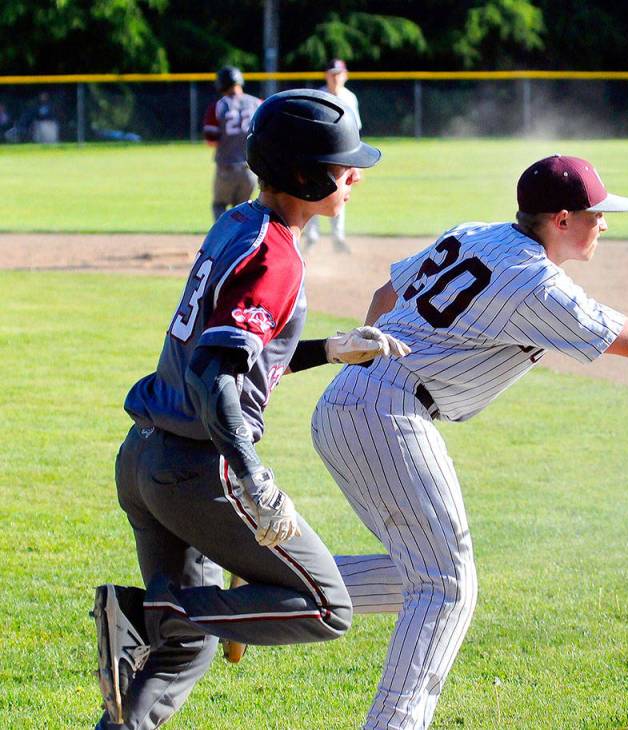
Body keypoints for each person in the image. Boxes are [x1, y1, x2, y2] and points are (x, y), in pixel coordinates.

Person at [308, 154, 628, 729]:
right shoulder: (536, 283)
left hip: (351, 400)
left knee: (424, 575)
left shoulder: (476, 234)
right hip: (389, 411)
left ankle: (277, 584)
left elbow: (385, 295)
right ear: (563, 219)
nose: (605, 223)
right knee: (446, 586)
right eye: (597, 214)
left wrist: (371, 367)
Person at [90, 88, 405, 730]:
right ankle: (148, 616)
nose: (353, 177)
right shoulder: (277, 257)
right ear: (305, 174)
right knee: (325, 607)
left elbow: (233, 350)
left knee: (188, 647)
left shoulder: (238, 221)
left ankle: (143, 669)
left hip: (146, 455)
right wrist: (253, 477)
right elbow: (214, 373)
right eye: (343, 165)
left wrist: (327, 349)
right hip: (197, 469)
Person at [303, 59, 362, 254]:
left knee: (340, 194)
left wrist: (356, 163)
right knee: (313, 194)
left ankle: (338, 239)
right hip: (319, 154)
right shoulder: (318, 95)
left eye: (339, 73)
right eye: (332, 73)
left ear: (345, 75)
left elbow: (355, 131)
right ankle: (312, 237)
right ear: (326, 75)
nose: (335, 77)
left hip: (342, 156)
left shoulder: (350, 97)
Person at [202, 66, 262, 222]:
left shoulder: (219, 106)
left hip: (226, 169)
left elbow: (211, 140)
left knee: (219, 205)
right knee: (243, 212)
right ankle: (242, 245)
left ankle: (223, 242)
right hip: (250, 170)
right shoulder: (257, 103)